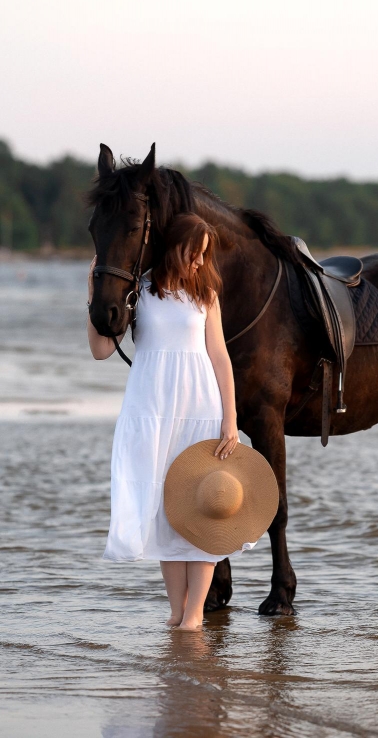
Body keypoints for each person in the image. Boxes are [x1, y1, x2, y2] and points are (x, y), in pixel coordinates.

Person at [87, 213, 255, 630]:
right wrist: (91, 290)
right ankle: (177, 613)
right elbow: (101, 351)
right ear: (173, 247)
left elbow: (220, 358)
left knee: (201, 509)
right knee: (168, 511)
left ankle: (194, 616)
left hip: (200, 409)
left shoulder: (206, 296)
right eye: (194, 253)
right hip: (152, 410)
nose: (199, 262)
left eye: (204, 255)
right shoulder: (138, 293)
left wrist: (230, 419)